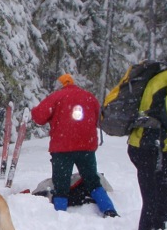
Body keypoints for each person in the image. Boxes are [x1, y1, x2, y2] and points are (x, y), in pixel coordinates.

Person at [30, 73, 118, 216]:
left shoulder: (56, 97)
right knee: (93, 181)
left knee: (61, 184)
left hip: (62, 147)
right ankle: (108, 209)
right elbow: (99, 117)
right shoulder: (89, 97)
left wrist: (35, 111)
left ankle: (60, 213)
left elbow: (39, 116)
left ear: (60, 85)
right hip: (86, 146)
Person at [127, 68, 167, 230]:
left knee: (163, 193)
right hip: (150, 145)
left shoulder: (164, 76)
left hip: (150, 145)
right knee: (156, 195)